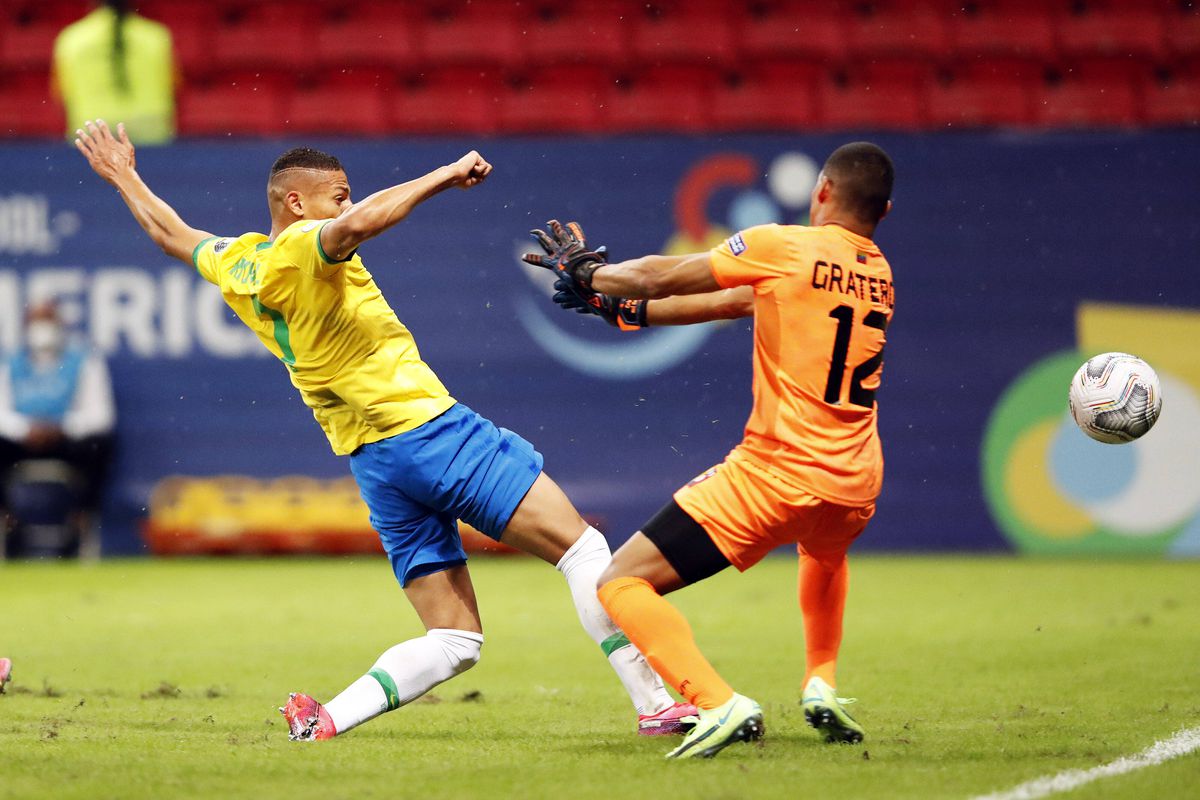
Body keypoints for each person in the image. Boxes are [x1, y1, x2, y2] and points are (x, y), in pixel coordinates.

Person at [72, 119, 696, 741]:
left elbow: (170, 234)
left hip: (376, 462)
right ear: (297, 203)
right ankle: (656, 705)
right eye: (338, 192)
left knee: (455, 638)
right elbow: (358, 224)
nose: (347, 201)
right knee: (583, 551)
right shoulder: (301, 246)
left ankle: (325, 721)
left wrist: (123, 175)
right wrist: (446, 175)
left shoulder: (241, 261)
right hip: (429, 431)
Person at [527, 142, 895, 759]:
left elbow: (665, 272)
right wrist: (626, 313)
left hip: (777, 473)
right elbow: (731, 300)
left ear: (822, 192)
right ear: (882, 211)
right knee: (824, 558)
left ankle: (718, 703)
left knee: (617, 585)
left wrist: (593, 276)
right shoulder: (879, 272)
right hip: (855, 481)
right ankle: (821, 683)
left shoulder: (786, 247)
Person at [0, 302, 116, 557]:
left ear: (60, 324)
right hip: (21, 444)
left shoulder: (83, 359)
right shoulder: (10, 360)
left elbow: (101, 415)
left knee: (100, 444)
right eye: (36, 320)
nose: (42, 328)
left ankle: (81, 517)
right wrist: (26, 430)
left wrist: (61, 428)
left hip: (67, 443)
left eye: (48, 319)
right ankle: (7, 518)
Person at [52, 0, 178, 144]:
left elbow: (61, 94)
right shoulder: (157, 37)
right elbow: (174, 87)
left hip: (93, 134)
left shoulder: (71, 39)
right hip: (150, 133)